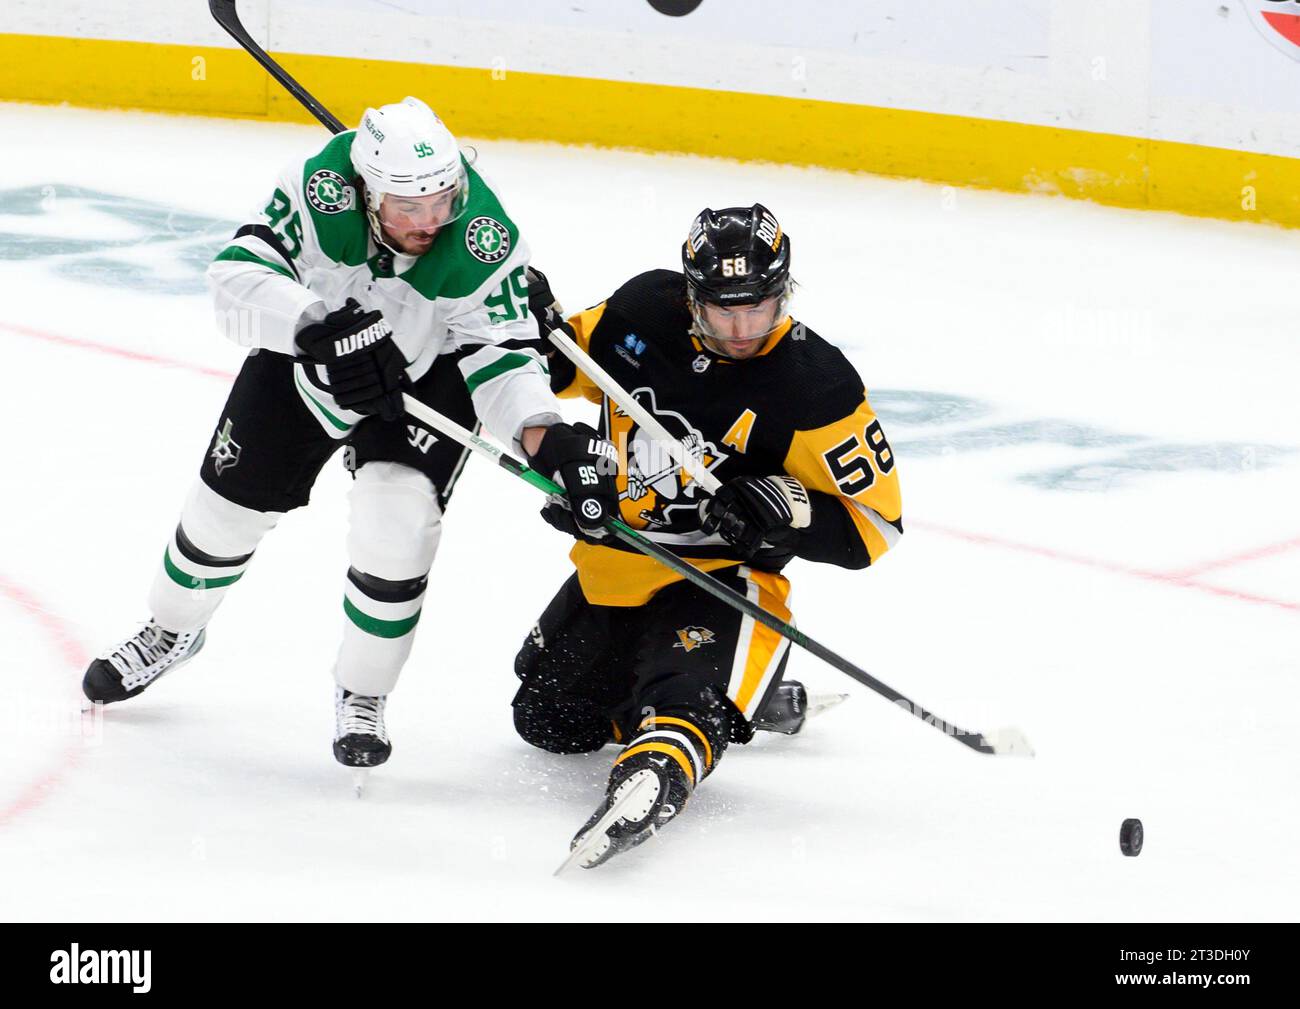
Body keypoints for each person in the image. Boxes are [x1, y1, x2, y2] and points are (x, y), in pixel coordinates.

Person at [81, 97, 617, 772]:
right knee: (223, 513)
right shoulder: (316, 188)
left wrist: (546, 434)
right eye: (407, 207)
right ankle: (171, 630)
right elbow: (233, 278)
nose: (429, 223)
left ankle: (363, 692)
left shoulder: (484, 238)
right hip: (313, 354)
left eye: (442, 200)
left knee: (397, 521)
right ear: (366, 195)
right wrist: (311, 325)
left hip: (426, 374)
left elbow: (503, 360)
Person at [516, 204, 903, 867]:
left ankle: (667, 760)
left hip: (725, 579)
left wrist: (789, 504)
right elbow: (557, 369)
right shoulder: (640, 311)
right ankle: (753, 694)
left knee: (682, 706)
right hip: (625, 564)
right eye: (723, 309)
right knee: (548, 716)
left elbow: (875, 529)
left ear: (786, 291)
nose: (742, 328)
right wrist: (525, 320)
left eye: (760, 307)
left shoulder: (817, 386)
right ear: (689, 293)